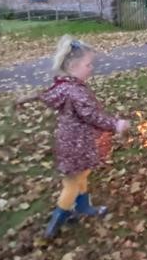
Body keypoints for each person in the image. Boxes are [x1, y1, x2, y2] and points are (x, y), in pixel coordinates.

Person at [31, 36, 130, 238]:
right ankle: (57, 220)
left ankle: (83, 207)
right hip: (77, 145)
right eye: (88, 64)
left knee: (81, 175)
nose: (91, 68)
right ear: (73, 66)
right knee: (71, 183)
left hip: (71, 143)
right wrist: (116, 124)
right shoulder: (76, 92)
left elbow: (51, 98)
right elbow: (92, 116)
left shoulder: (62, 86)